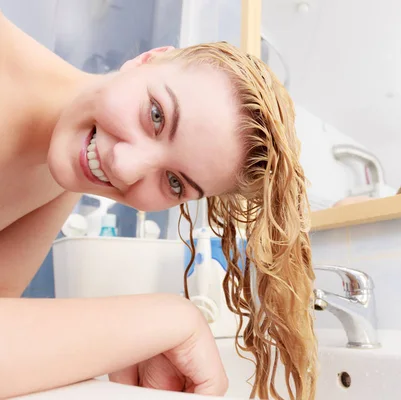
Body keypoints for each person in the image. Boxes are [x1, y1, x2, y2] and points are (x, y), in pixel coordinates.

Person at [0, 10, 316, 400]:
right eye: (156, 115)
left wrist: (157, 326)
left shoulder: (63, 177)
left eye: (174, 182)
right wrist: (171, 318)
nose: (125, 167)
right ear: (151, 57)